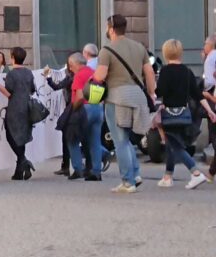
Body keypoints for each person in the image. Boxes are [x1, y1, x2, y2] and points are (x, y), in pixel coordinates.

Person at [92, 14, 156, 194]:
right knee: (127, 139)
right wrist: (151, 93)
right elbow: (149, 72)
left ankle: (127, 182)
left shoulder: (107, 50)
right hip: (137, 96)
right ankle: (135, 174)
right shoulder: (139, 47)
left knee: (119, 140)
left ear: (111, 29)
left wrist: (93, 78)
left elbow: (100, 76)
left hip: (117, 98)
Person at [155, 39, 215, 189]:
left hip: (168, 115)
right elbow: (198, 95)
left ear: (165, 53)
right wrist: (210, 111)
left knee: (175, 146)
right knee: (172, 144)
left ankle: (195, 173)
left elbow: (159, 92)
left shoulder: (165, 71)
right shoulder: (187, 72)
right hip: (184, 115)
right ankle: (168, 176)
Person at [63, 53, 105, 181]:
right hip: (98, 108)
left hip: (84, 109)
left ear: (77, 64)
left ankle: (78, 169)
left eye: (71, 65)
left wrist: (73, 109)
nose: (70, 68)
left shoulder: (79, 75)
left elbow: (80, 96)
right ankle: (96, 171)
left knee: (72, 138)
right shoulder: (94, 72)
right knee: (95, 141)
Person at [0, 47, 36, 181]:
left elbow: (9, 93)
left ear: (12, 57)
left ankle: (24, 161)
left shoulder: (12, 74)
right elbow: (32, 90)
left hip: (14, 108)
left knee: (10, 135)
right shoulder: (29, 73)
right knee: (21, 137)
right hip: (27, 108)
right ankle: (19, 172)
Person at [45, 64, 75, 176]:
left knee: (67, 136)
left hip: (71, 108)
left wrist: (48, 76)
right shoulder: (82, 75)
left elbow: (56, 86)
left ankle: (66, 166)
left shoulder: (70, 78)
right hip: (81, 107)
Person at [201, 34, 216, 180]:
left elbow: (209, 82)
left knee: (214, 136)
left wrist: (206, 95)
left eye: (205, 43)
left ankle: (211, 173)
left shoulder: (211, 57)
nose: (204, 46)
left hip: (212, 99)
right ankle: (211, 173)